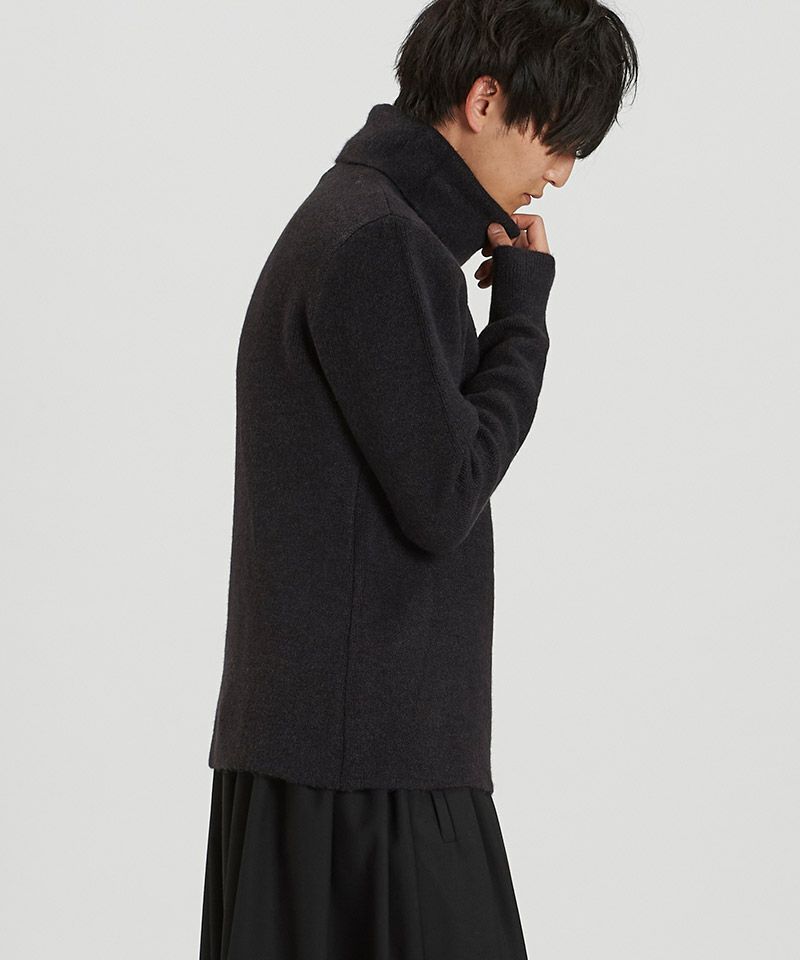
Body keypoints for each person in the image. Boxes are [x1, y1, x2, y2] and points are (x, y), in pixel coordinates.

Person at [199, 1, 638, 957]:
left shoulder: (369, 222)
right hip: (365, 779)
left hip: (338, 756)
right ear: (484, 100)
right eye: (558, 140)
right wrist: (521, 320)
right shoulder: (381, 243)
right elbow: (444, 495)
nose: (561, 173)